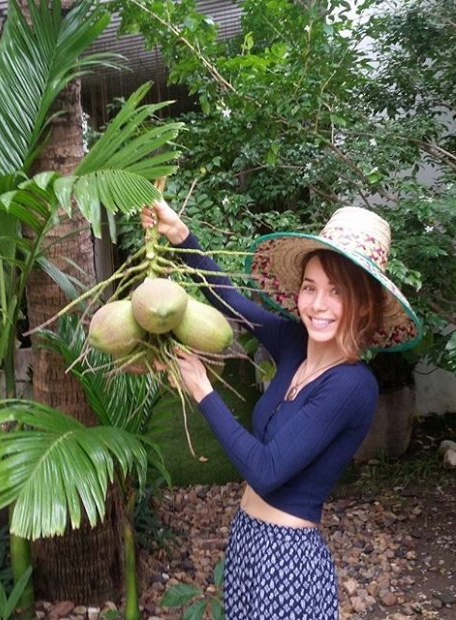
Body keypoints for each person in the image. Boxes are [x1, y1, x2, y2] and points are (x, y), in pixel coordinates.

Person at [141, 200, 423, 620]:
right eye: (310, 286)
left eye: (337, 291)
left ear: (364, 306)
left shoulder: (352, 386)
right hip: (246, 539)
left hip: (287, 561)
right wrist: (180, 234)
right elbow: (230, 301)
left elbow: (267, 470)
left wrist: (201, 389)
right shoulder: (295, 342)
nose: (318, 304)